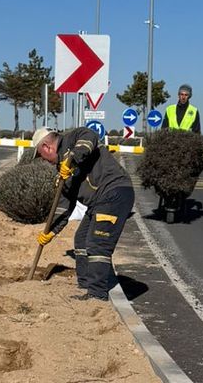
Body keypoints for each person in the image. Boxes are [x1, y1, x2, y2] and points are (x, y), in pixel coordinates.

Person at [32, 126, 134, 301]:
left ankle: (97, 294)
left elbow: (89, 136)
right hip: (98, 202)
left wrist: (73, 158)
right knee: (81, 239)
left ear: (46, 147)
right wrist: (50, 232)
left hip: (114, 192)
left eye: (41, 155)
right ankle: (86, 284)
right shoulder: (62, 171)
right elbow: (64, 205)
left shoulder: (71, 139)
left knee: (98, 243)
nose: (44, 160)